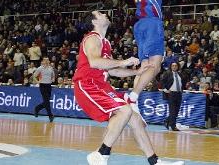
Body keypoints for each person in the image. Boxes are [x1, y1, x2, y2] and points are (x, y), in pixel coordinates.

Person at [73, 11, 183, 165]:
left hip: (102, 86)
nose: (104, 14)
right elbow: (95, 63)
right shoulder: (92, 38)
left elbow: (112, 70)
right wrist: (124, 61)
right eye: (100, 14)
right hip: (88, 84)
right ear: (94, 21)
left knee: (135, 120)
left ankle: (154, 161)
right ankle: (102, 153)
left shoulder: (106, 43)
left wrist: (136, 72)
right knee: (125, 110)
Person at [161, 62, 184, 131]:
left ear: (177, 67)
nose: (174, 67)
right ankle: (173, 126)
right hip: (171, 94)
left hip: (179, 94)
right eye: (173, 65)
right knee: (172, 111)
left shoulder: (180, 74)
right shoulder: (167, 73)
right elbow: (162, 81)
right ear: (171, 67)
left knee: (176, 111)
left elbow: (182, 83)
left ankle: (167, 121)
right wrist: (165, 89)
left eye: (175, 65)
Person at [33, 57, 55, 122]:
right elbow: (34, 76)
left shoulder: (51, 68)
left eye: (48, 60)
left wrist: (53, 79)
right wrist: (37, 82)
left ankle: (37, 108)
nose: (47, 61)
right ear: (43, 61)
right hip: (42, 85)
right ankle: (50, 115)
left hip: (49, 85)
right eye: (45, 60)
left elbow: (53, 75)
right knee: (47, 101)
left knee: (46, 101)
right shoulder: (40, 68)